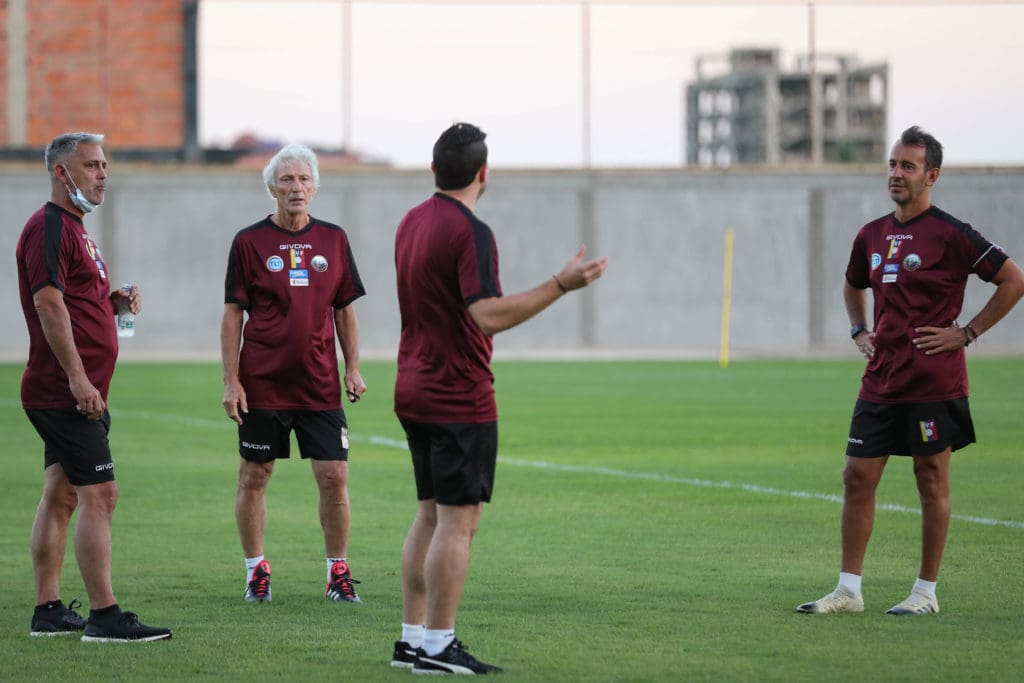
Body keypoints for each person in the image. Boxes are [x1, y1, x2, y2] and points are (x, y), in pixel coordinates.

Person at [389, 122, 609, 674]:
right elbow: (485, 314)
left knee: (429, 515)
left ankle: (412, 640)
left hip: (413, 385)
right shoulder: (471, 231)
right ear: (483, 173)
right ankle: (437, 646)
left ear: (434, 168)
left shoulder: (411, 221)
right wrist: (561, 285)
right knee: (458, 522)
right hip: (457, 393)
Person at [797, 125, 1024, 616]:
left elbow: (1013, 279)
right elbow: (852, 284)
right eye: (893, 165)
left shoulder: (953, 234)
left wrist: (966, 333)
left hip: (933, 382)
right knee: (856, 476)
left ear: (931, 176)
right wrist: (859, 330)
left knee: (930, 478)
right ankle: (848, 591)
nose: (896, 174)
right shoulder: (871, 234)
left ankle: (925, 592)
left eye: (908, 166)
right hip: (881, 378)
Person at [16, 132, 172, 642]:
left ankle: (48, 610)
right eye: (92, 166)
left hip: (79, 389)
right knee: (100, 494)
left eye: (105, 165)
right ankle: (104, 617)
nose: (103, 174)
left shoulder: (77, 229)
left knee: (61, 495)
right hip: (65, 392)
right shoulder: (48, 227)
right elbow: (48, 304)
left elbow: (78, 302)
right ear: (63, 173)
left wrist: (114, 303)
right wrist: (78, 378)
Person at [222, 143, 367, 605]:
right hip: (262, 382)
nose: (296, 187)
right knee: (254, 475)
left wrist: (353, 368)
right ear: (272, 188)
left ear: (315, 187)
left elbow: (344, 310)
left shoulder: (334, 240)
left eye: (304, 179)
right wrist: (231, 380)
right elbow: (233, 315)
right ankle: (255, 572)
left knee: (333, 477)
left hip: (320, 383)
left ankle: (337, 573)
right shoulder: (249, 242)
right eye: (286, 180)